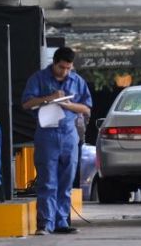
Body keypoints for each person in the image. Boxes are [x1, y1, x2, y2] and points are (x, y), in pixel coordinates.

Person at [22, 47, 92, 236]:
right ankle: (45, 223)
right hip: (47, 135)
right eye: (61, 67)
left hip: (69, 134)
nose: (65, 72)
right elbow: (26, 104)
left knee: (66, 180)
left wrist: (70, 105)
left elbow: (86, 108)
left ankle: (62, 222)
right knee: (47, 181)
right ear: (54, 62)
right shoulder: (38, 78)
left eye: (69, 68)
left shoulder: (77, 81)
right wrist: (49, 99)